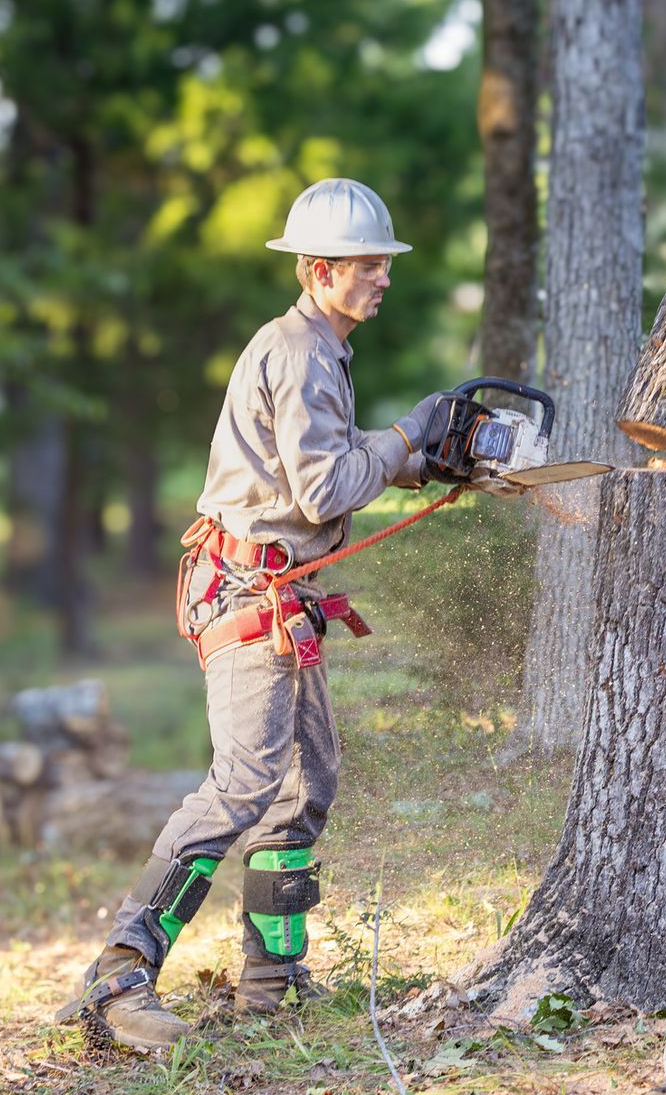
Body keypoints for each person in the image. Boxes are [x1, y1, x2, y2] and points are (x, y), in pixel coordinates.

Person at [58, 178, 458, 1051]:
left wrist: (420, 462)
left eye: (384, 264)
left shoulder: (314, 346)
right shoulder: (302, 351)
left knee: (305, 784)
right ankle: (120, 972)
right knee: (245, 782)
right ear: (320, 271)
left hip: (280, 595)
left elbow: (318, 464)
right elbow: (320, 493)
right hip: (251, 594)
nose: (385, 277)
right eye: (368, 265)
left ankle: (273, 987)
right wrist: (405, 434)